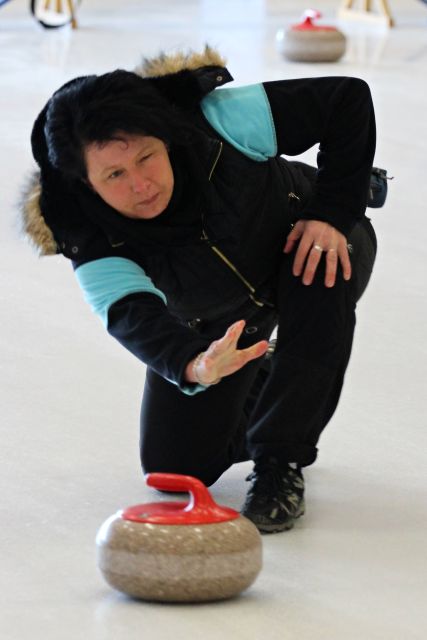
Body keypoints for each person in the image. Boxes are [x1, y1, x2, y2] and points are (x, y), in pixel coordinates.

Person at [22, 47, 379, 533]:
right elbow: (130, 314)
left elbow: (346, 99)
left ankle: (279, 463)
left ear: (165, 138)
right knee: (176, 467)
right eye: (115, 175)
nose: (141, 185)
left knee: (316, 275)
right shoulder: (83, 229)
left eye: (146, 157)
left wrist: (334, 210)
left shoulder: (216, 122)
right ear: (86, 183)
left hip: (311, 235)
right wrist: (194, 362)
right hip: (218, 313)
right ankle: (267, 364)